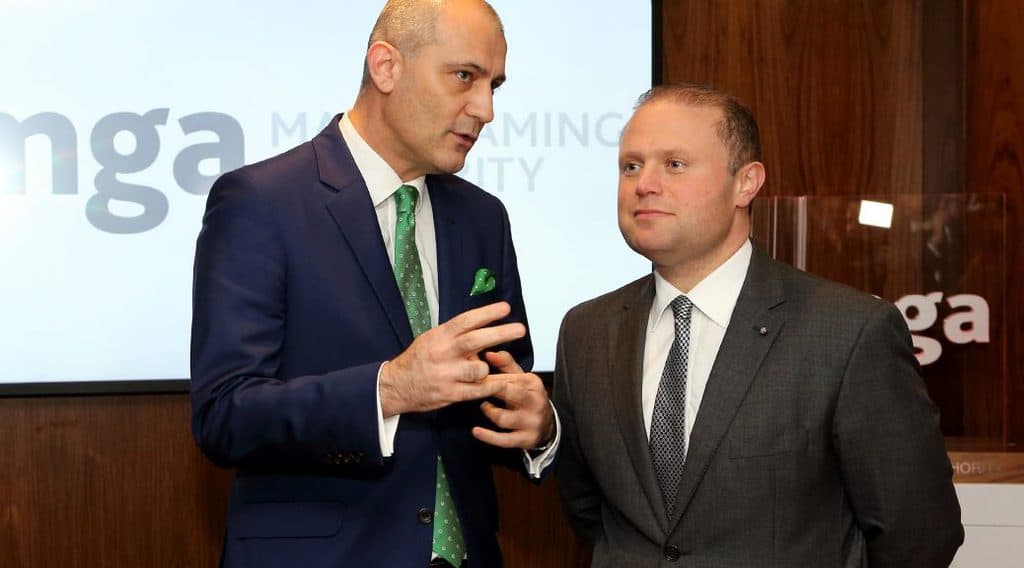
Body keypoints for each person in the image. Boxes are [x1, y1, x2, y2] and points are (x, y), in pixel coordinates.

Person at [189, 1, 557, 567]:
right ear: (386, 67)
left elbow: (499, 387)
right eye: (464, 76)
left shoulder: (484, 217)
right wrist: (387, 390)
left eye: (494, 86)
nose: (485, 110)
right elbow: (225, 415)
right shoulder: (261, 202)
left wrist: (539, 426)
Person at [553, 83, 963, 567]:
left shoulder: (849, 333)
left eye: (675, 164)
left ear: (746, 183)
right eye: (631, 166)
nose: (644, 184)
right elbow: (592, 514)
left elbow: (919, 533)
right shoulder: (586, 332)